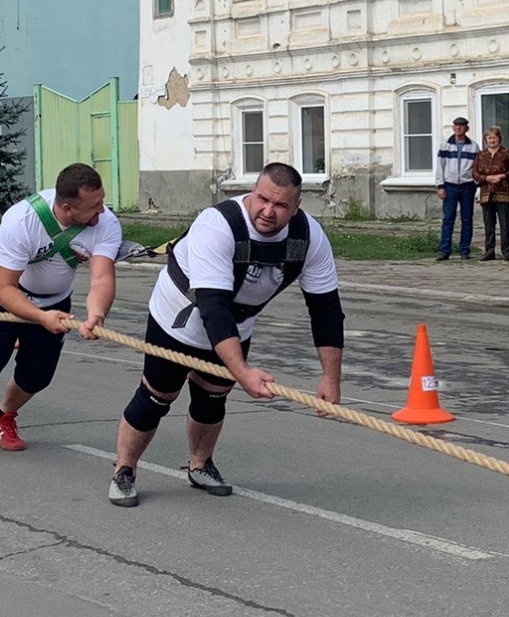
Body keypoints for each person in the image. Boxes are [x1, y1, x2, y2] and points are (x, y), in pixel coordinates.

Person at [109, 162, 343, 508]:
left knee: (212, 397)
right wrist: (243, 371)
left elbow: (325, 309)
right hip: (181, 315)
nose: (268, 211)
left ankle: (200, 465)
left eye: (280, 205)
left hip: (238, 321)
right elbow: (213, 308)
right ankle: (124, 470)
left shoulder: (308, 238)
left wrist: (330, 378)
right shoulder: (218, 226)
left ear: (296, 207)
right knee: (158, 395)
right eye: (262, 199)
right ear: (252, 192)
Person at [0, 163, 122, 460]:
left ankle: (4, 417)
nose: (102, 211)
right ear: (66, 209)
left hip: (55, 299)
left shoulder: (106, 223)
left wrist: (96, 315)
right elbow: (5, 289)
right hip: (4, 297)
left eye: (102, 201)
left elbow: (102, 278)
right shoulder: (21, 220)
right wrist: (39, 317)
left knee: (36, 376)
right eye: (94, 206)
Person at [471, 127, 509, 262]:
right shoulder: (481, 155)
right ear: (486, 140)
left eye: (494, 138)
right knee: (489, 225)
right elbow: (474, 173)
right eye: (489, 138)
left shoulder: (506, 153)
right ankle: (489, 251)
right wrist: (486, 178)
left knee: (506, 224)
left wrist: (502, 176)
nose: (492, 140)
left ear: (499, 139)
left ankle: (507, 251)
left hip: (503, 193)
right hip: (486, 193)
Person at [435, 116, 479, 260]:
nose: (458, 128)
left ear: (466, 128)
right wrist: (440, 186)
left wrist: (477, 184)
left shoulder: (473, 146)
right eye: (456, 126)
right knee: (448, 218)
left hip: (467, 186)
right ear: (453, 128)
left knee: (467, 219)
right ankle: (444, 250)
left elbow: (477, 168)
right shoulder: (445, 145)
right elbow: (440, 167)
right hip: (450, 185)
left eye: (461, 126)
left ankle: (464, 250)